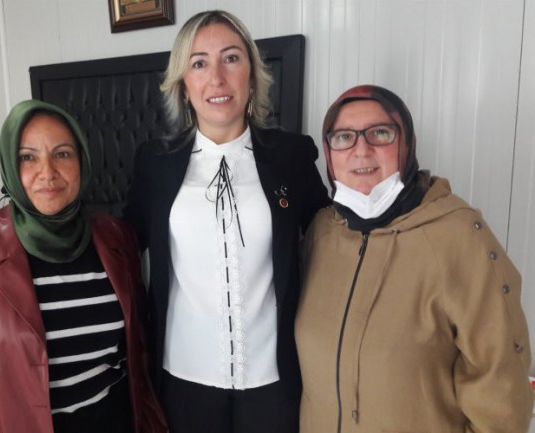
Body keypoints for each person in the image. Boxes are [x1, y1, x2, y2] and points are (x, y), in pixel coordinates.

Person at [123, 9, 331, 433]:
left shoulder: (291, 156)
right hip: (183, 377)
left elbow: (331, 242)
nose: (216, 78)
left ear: (251, 75)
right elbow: (121, 246)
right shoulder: (155, 163)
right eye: (199, 63)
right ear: (183, 84)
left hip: (274, 377)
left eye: (231, 58)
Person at [0, 100, 166, 433]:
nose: (48, 171)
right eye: (28, 157)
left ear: (82, 161)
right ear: (9, 166)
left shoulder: (116, 237)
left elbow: (137, 353)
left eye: (62, 154)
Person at [296, 84, 533, 433]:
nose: (361, 150)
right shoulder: (322, 233)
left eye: (380, 133)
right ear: (329, 154)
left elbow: (501, 383)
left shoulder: (458, 235)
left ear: (406, 144)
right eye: (343, 137)